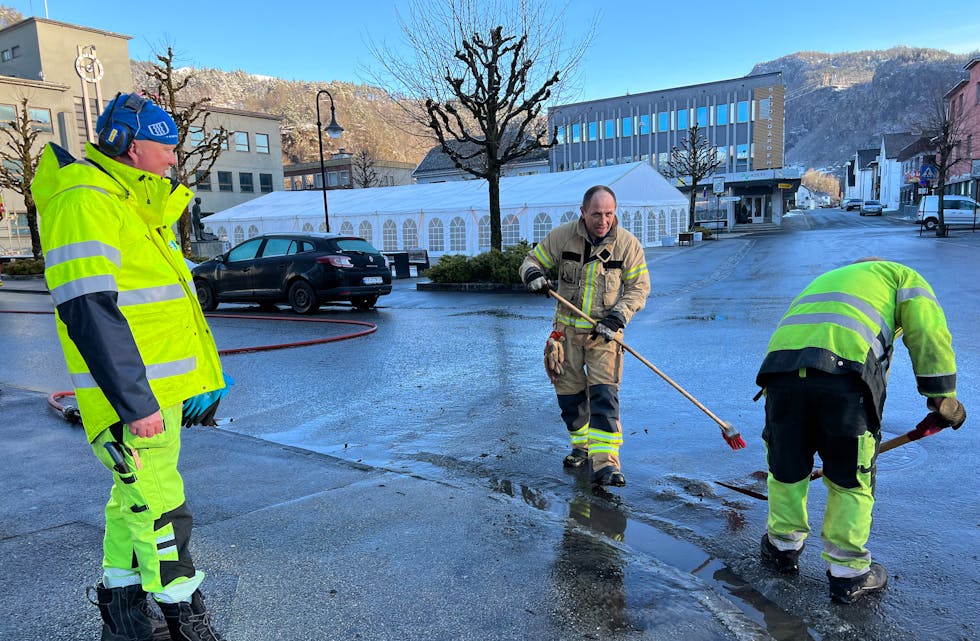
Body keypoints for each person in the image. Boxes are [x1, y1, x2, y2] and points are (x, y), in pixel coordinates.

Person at [32, 93, 231, 640]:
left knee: (131, 502)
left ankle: (123, 613)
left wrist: (199, 381)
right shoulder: (86, 201)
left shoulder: (128, 203)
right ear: (133, 145)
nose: (173, 159)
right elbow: (88, 308)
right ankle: (183, 619)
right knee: (162, 509)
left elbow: (160, 304)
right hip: (131, 400)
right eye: (167, 147)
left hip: (149, 394)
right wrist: (134, 401)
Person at [756, 258, 965, 604]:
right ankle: (848, 573)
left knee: (786, 467)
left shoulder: (832, 278)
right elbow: (928, 333)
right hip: (845, 377)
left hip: (780, 374)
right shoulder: (903, 278)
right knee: (850, 476)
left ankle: (781, 548)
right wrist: (941, 397)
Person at [520, 185, 650, 487]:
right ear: (583, 212)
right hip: (565, 336)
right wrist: (534, 276)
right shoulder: (563, 237)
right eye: (596, 214)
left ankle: (606, 465)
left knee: (605, 398)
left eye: (609, 214)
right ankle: (582, 447)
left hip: (605, 336)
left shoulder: (628, 246)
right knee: (571, 399)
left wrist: (617, 317)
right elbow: (530, 261)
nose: (603, 220)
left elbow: (639, 289)